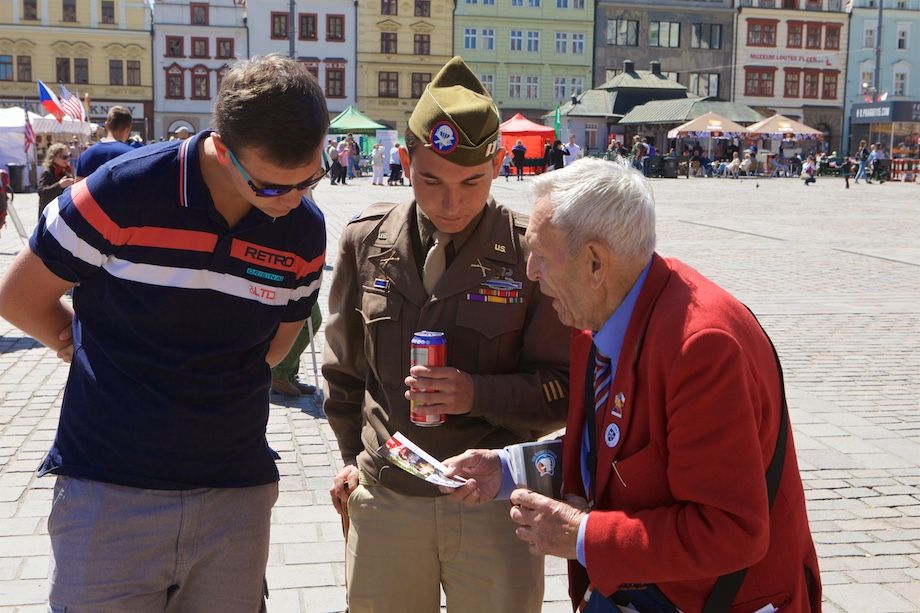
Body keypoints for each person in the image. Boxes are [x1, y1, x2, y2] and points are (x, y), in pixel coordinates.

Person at [0, 54, 329, 610]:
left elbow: (276, 348)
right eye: (273, 187)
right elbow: (18, 295)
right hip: (109, 488)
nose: (293, 201)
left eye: (311, 180)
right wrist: (71, 337)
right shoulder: (123, 190)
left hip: (235, 492)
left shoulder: (304, 231)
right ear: (222, 150)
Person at [441, 157, 822, 613]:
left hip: (711, 599)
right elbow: (617, 450)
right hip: (635, 589)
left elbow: (732, 531)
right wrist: (509, 469)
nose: (532, 273)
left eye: (540, 254)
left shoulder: (701, 348)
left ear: (596, 263)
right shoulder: (596, 313)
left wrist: (581, 536)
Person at [323, 56, 570, 613]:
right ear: (405, 161)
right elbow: (342, 372)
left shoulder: (530, 251)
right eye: (430, 179)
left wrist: (476, 393)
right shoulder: (366, 241)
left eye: (471, 182)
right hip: (386, 499)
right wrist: (347, 457)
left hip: (492, 506)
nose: (451, 202)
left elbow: (564, 388)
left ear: (499, 164)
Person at [74, 106, 134, 181]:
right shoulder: (133, 155)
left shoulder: (85, 155)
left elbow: (76, 189)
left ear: (106, 125)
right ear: (128, 128)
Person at [37, 143, 74, 220]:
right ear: (53, 157)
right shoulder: (47, 172)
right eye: (64, 157)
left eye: (68, 156)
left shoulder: (66, 171)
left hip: (62, 213)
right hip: (49, 214)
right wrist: (59, 185)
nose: (67, 159)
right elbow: (41, 192)